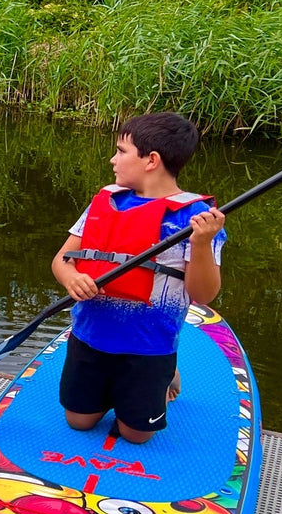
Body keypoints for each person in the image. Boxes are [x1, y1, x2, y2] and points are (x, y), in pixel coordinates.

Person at [51, 113, 226, 445]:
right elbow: (61, 260)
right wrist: (71, 278)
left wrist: (201, 244)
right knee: (78, 422)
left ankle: (166, 378)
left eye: (121, 151)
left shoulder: (195, 220)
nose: (113, 159)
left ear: (151, 160)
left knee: (137, 436)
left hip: (148, 348)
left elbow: (203, 295)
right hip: (89, 338)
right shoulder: (106, 201)